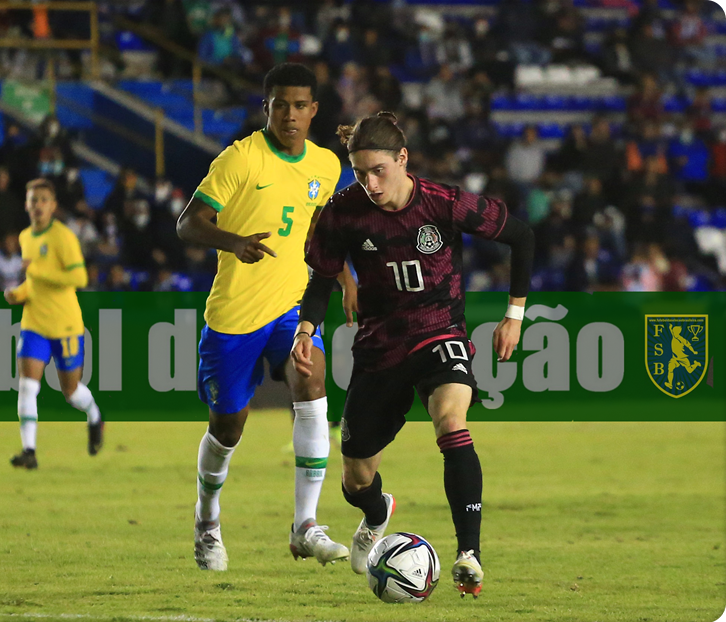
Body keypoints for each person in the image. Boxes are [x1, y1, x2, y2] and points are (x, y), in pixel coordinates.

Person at [292, 112, 534, 598]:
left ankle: (470, 555)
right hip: (380, 347)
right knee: (356, 476)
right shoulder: (344, 212)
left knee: (451, 421)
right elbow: (322, 275)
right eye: (360, 173)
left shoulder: (443, 203)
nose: (370, 183)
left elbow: (521, 235)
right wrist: (306, 324)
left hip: (439, 332)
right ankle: (377, 514)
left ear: (403, 159)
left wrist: (515, 315)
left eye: (379, 170)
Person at [176, 63, 354, 571]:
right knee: (228, 427)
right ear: (267, 108)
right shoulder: (240, 159)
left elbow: (320, 227)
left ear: (313, 110)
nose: (291, 115)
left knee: (312, 381)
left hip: (292, 308)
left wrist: (345, 278)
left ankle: (305, 525)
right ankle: (207, 520)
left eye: (300, 106)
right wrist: (234, 242)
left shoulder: (325, 166)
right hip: (235, 315)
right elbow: (188, 223)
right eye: (281, 105)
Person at [4, 178, 104, 468]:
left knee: (71, 393)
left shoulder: (63, 237)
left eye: (43, 200)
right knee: (27, 387)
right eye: (33, 200)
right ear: (26, 204)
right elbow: (33, 282)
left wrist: (37, 271)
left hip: (65, 325)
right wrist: (18, 293)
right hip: (34, 323)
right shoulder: (26, 237)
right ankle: (29, 451)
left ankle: (95, 415)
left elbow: (79, 278)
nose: (37, 205)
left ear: (53, 206)